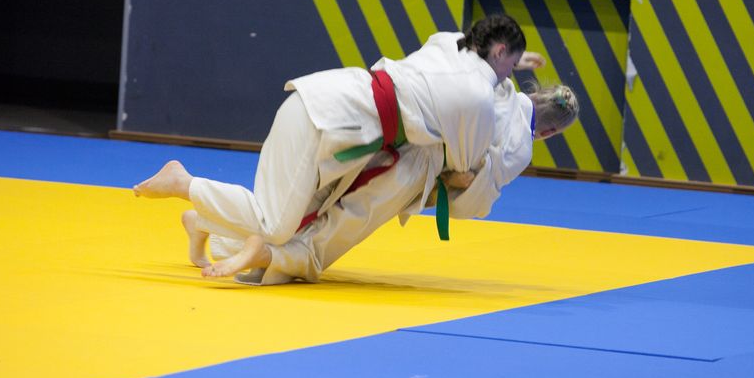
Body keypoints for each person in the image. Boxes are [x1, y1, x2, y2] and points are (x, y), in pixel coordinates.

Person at [134, 14, 527, 258]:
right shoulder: (478, 96)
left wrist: (513, 62)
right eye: (511, 65)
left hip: (337, 106)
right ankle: (184, 182)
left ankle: (203, 224)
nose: (510, 74)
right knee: (276, 226)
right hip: (330, 121)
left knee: (301, 220)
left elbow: (469, 54)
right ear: (498, 50)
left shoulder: (449, 44)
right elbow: (461, 172)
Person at [199, 79, 579, 284]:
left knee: (313, 198)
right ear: (549, 133)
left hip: (388, 130)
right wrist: (452, 182)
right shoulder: (520, 146)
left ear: (536, 92)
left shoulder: (497, 86)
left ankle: (213, 227)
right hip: (414, 169)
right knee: (335, 231)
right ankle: (266, 257)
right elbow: (471, 194)